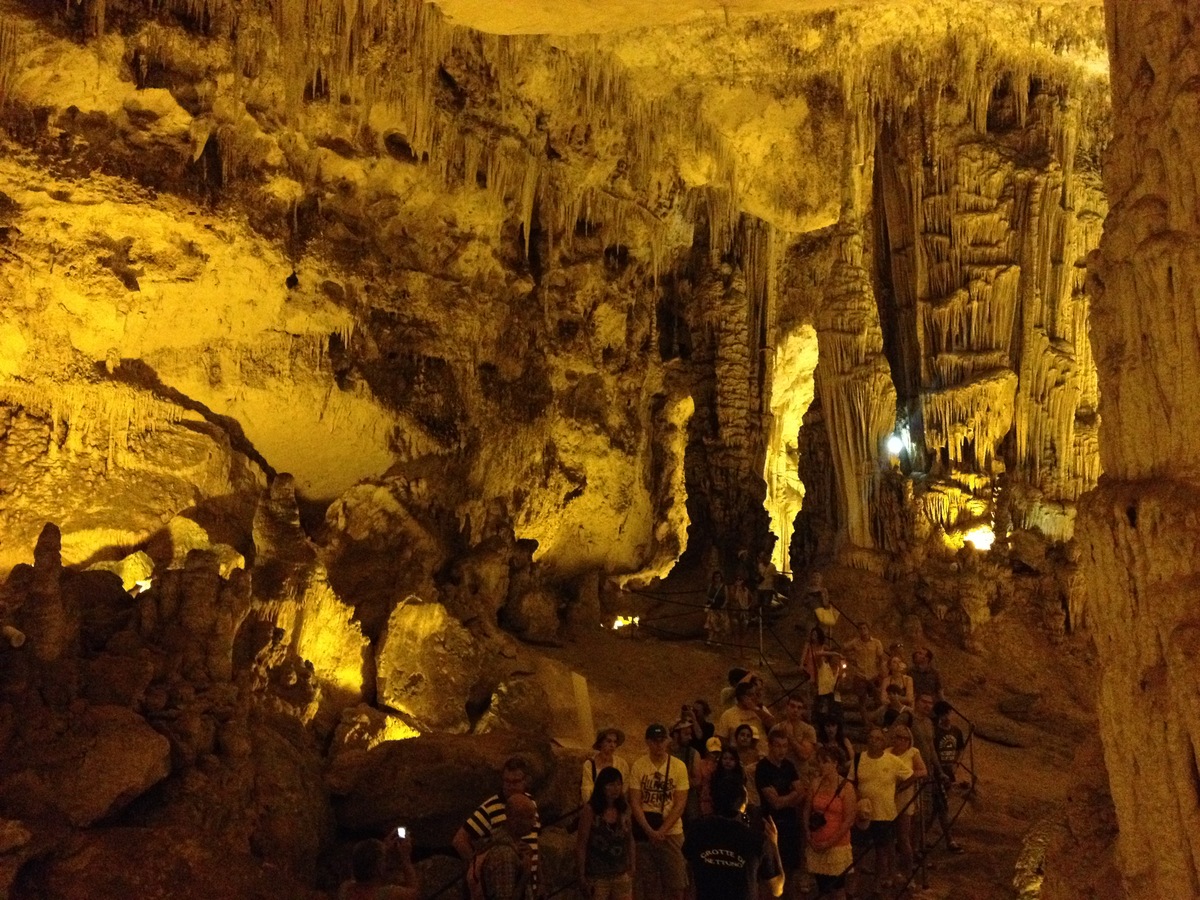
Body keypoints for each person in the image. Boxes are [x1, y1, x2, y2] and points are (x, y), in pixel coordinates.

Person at [683, 781, 784, 900]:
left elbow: (688, 866)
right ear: (743, 803)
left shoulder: (698, 830)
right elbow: (777, 888)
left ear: (714, 801)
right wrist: (774, 844)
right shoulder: (756, 839)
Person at [454, 757, 541, 894]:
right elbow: (460, 840)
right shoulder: (490, 807)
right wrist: (479, 866)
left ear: (526, 781)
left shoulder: (529, 804)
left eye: (515, 782)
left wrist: (539, 881)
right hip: (506, 882)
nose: (511, 786)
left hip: (529, 884)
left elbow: (535, 844)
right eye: (507, 781)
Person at [630, 723, 690, 900]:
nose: (658, 745)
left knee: (677, 882)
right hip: (645, 831)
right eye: (654, 741)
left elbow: (680, 804)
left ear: (667, 741)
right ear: (648, 742)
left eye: (661, 740)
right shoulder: (639, 766)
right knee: (649, 883)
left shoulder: (678, 767)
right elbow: (635, 801)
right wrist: (649, 830)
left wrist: (661, 831)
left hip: (670, 832)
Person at [853, 728, 915, 892]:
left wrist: (899, 789)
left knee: (882, 850)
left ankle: (877, 882)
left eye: (878, 738)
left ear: (883, 742)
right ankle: (855, 881)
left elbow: (911, 775)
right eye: (871, 737)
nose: (874, 741)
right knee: (858, 849)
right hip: (863, 814)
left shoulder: (892, 760)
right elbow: (851, 781)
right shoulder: (859, 759)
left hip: (885, 813)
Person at [755, 726, 806, 899]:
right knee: (770, 870)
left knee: (790, 868)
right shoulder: (763, 768)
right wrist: (793, 795)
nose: (782, 750)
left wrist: (786, 797)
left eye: (785, 746)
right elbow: (774, 803)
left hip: (790, 824)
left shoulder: (789, 765)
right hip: (771, 824)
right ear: (770, 745)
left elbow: (802, 792)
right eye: (778, 746)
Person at [803, 746, 856, 900]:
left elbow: (848, 820)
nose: (821, 765)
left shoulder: (846, 787)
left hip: (836, 845)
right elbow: (807, 809)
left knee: (837, 888)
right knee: (822, 888)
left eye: (825, 762)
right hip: (816, 840)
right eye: (819, 762)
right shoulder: (816, 783)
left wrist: (830, 842)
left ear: (835, 763)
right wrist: (807, 832)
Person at [577, 766, 635, 900]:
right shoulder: (591, 810)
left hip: (621, 872)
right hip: (598, 875)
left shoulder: (624, 809)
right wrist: (581, 875)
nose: (615, 788)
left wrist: (632, 865)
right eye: (611, 784)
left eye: (618, 784)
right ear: (602, 787)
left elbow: (630, 838)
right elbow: (582, 843)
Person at [912, 694, 960, 853]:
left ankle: (919, 843)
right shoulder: (916, 722)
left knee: (933, 809)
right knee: (929, 810)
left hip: (936, 772)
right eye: (923, 702)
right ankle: (918, 845)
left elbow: (934, 749)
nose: (927, 706)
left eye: (929, 703)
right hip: (923, 773)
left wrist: (944, 769)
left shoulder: (929, 724)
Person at [475, 794, 538, 900]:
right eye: (530, 817)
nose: (534, 823)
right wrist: (525, 875)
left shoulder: (500, 840)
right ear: (514, 819)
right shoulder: (505, 855)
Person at [888, 724, 927, 880]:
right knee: (889, 840)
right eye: (898, 737)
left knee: (903, 838)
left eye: (905, 738)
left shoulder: (912, 753)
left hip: (905, 799)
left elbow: (923, 771)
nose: (902, 741)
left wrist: (907, 781)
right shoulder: (887, 753)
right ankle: (891, 872)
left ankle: (908, 872)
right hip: (888, 800)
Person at [339, 834, 419, 900]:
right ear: (378, 869)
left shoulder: (345, 889)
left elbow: (360, 873)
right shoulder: (388, 894)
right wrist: (405, 859)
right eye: (385, 860)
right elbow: (415, 894)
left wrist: (383, 847)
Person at [932, 700, 967, 852]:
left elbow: (960, 748)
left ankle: (922, 838)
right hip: (937, 773)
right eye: (943, 714)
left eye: (947, 713)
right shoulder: (935, 732)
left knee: (938, 808)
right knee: (942, 807)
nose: (946, 717)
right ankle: (949, 840)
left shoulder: (956, 731)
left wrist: (955, 763)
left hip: (949, 772)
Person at [718, 679, 775, 756]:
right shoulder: (728, 715)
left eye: (755, 694)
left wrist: (755, 708)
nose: (755, 697)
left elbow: (772, 724)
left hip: (762, 755)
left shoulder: (761, 709)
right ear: (743, 697)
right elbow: (722, 740)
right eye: (751, 694)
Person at [843, 622, 887, 709]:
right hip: (860, 674)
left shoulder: (876, 642)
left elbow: (881, 657)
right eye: (860, 629)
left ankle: (877, 717)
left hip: (873, 674)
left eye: (864, 628)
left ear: (868, 630)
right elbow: (844, 648)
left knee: (877, 696)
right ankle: (865, 720)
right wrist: (850, 659)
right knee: (861, 698)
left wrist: (881, 670)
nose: (863, 631)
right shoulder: (855, 642)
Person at [583, 728, 630, 803]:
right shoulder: (590, 764)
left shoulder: (622, 764)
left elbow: (624, 788)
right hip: (596, 805)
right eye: (608, 741)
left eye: (615, 742)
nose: (612, 745)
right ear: (600, 743)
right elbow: (586, 790)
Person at [780, 695, 817, 770]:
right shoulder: (777, 728)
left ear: (803, 710)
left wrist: (790, 736)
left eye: (799, 708)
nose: (795, 710)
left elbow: (804, 755)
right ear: (787, 707)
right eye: (792, 706)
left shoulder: (809, 730)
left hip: (800, 772)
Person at [695, 736, 723, 816]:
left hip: (716, 800)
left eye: (717, 752)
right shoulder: (700, 764)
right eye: (713, 752)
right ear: (707, 751)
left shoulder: (721, 766)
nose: (715, 755)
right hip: (702, 800)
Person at [704, 571, 729, 645]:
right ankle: (710, 638)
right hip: (713, 607)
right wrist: (710, 599)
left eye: (718, 577)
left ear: (721, 578)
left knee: (720, 624)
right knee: (711, 623)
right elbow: (707, 595)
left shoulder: (724, 587)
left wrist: (723, 606)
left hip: (721, 607)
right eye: (715, 577)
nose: (717, 579)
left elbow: (727, 598)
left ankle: (719, 640)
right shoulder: (711, 586)